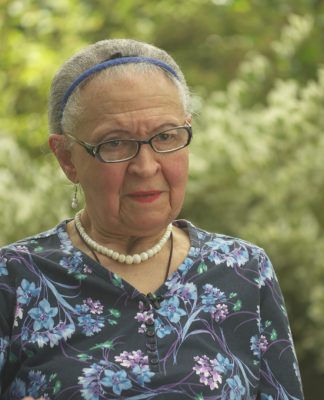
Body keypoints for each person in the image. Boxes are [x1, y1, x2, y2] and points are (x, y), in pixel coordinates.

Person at [0, 39, 304, 400]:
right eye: (114, 143)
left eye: (165, 136)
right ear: (67, 158)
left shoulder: (244, 271)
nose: (146, 167)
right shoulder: (15, 279)